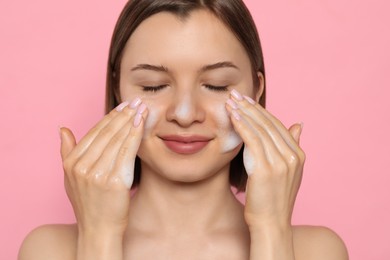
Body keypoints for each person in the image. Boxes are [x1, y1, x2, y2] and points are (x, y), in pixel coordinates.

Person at [18, 0, 348, 259]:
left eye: (217, 86)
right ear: (118, 89)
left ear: (256, 91)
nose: (185, 114)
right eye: (153, 85)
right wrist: (99, 237)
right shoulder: (49, 251)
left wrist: (271, 231)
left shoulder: (316, 252)